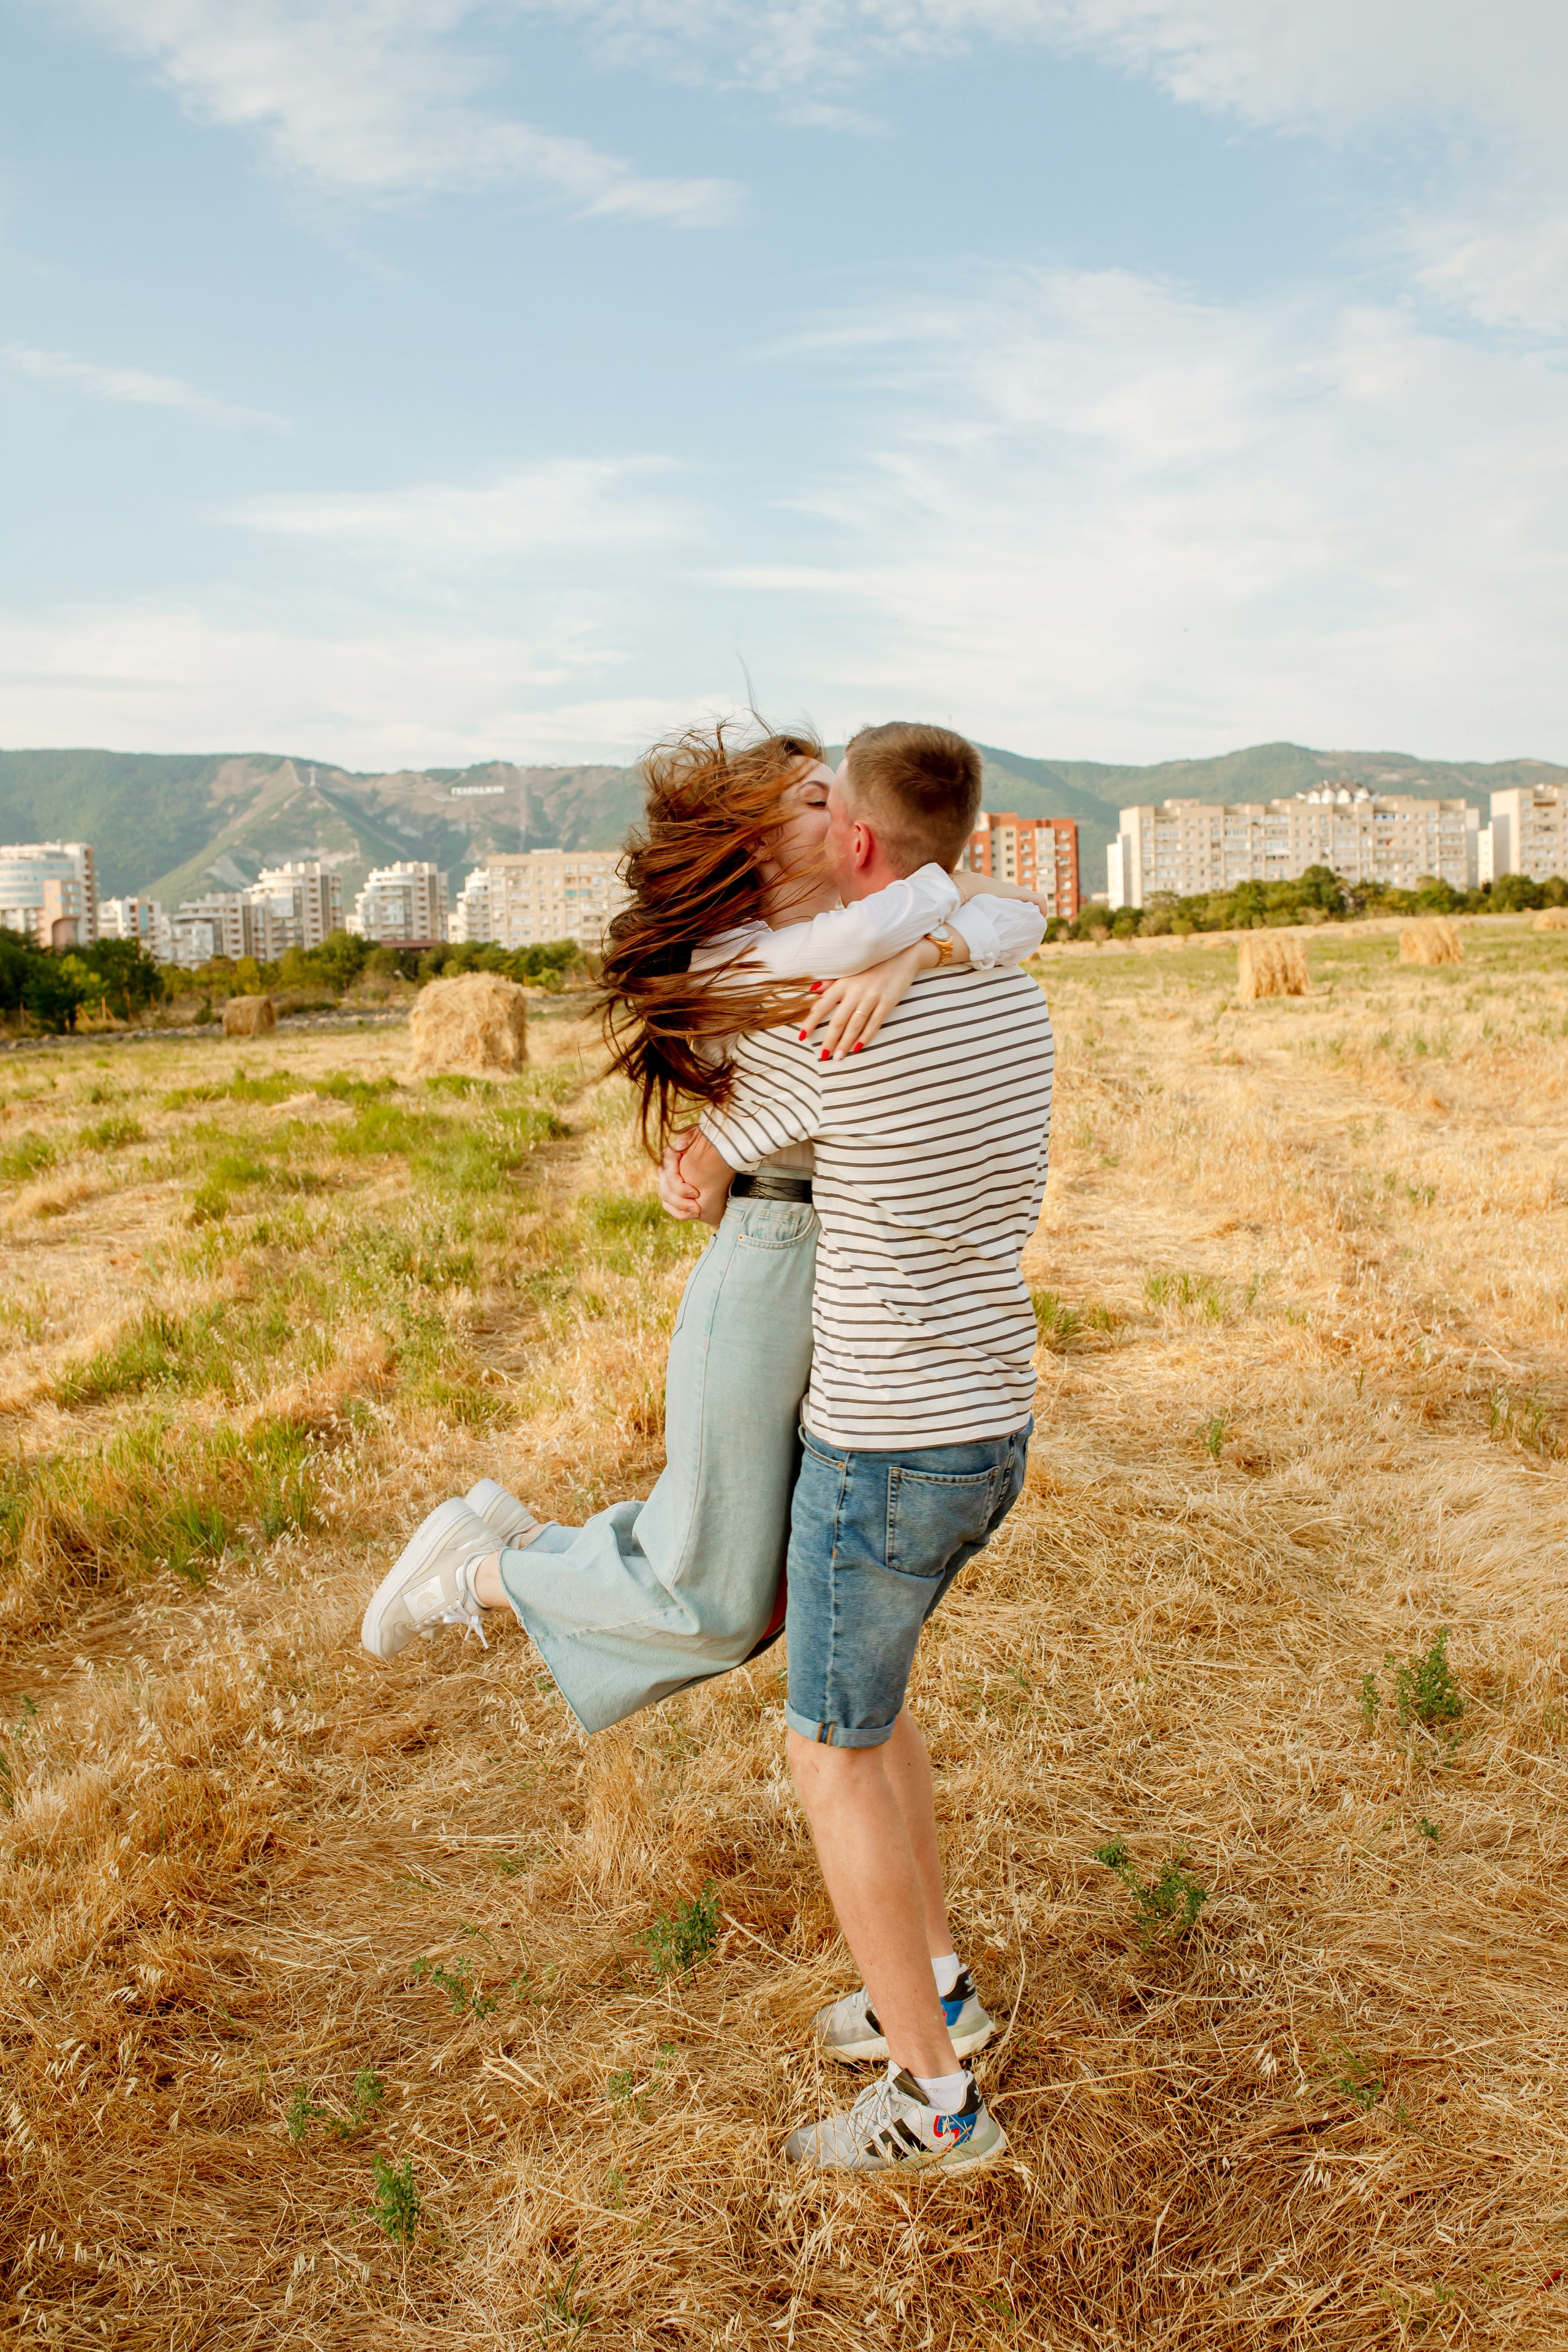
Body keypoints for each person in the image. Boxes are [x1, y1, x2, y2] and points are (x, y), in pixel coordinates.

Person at [359, 723, 1044, 1735]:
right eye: (818, 800)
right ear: (756, 846)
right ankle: (479, 1570)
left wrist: (918, 951)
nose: (846, 809)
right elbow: (831, 1047)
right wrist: (921, 937)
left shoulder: (866, 940)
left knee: (763, 1568)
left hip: (845, 1274)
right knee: (722, 1598)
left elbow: (1018, 912)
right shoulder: (747, 969)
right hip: (773, 1270)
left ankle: (522, 1543)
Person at [668, 722, 1054, 2176]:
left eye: (831, 808)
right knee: (878, 1714)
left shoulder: (832, 1022)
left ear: (866, 852)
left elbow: (709, 1179)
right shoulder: (1008, 992)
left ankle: (935, 2103)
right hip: (985, 1418)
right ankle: (933, 1988)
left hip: (882, 1442)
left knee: (830, 1748)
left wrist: (696, 1152)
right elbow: (997, 924)